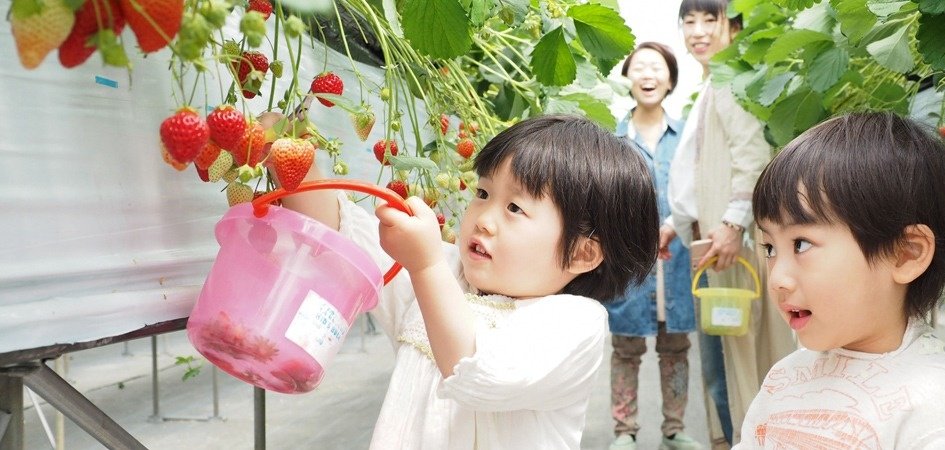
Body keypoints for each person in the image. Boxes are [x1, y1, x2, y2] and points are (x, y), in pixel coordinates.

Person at [279, 114, 661, 449]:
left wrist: (426, 265)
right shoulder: (446, 272)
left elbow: (475, 371)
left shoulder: (574, 323)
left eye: (514, 207)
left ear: (581, 253)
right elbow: (338, 234)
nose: (483, 219)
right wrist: (286, 147)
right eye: (483, 193)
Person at [738, 111, 945, 448]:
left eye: (801, 244)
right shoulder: (785, 378)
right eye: (770, 248)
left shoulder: (937, 411)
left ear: (905, 254)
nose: (778, 279)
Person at [662, 0, 796, 447]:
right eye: (689, 21)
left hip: (727, 245)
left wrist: (733, 224)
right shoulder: (713, 83)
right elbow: (701, 172)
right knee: (722, 356)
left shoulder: (730, 80)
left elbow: (752, 158)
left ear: (734, 28)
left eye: (710, 19)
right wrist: (675, 222)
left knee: (732, 359)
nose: (698, 31)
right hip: (714, 242)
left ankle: (745, 440)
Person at [605, 42, 702, 450]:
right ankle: (624, 432)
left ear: (671, 80)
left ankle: (674, 430)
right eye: (640, 67)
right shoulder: (613, 138)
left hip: (676, 259)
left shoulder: (686, 136)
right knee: (626, 348)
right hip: (629, 262)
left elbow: (697, 189)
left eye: (657, 68)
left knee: (676, 348)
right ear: (627, 77)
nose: (648, 75)